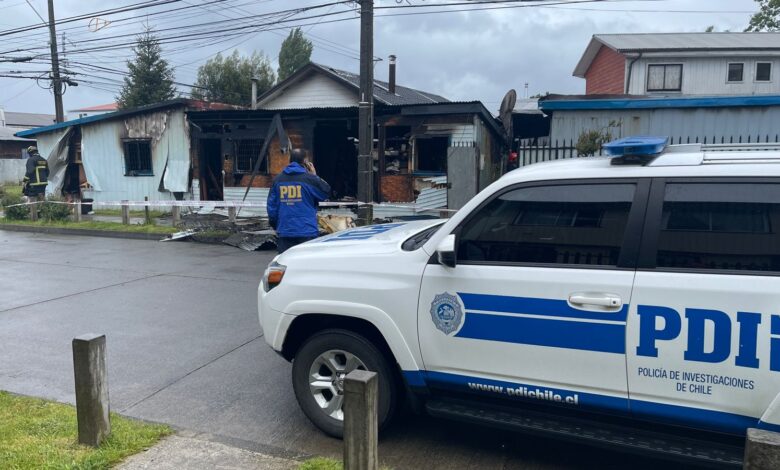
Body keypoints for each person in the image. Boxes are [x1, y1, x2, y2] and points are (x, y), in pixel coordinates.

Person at [267, 148, 331, 253]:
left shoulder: (278, 180)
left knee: (285, 261)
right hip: (307, 230)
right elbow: (325, 192)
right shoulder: (310, 180)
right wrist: (314, 176)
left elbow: (271, 207)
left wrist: (275, 225)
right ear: (305, 161)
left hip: (285, 230)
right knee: (306, 261)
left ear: (290, 159)